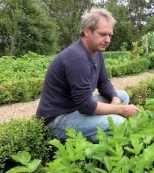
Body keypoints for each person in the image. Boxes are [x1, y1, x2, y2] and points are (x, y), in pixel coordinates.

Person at [36, 8, 139, 142]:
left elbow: (103, 83)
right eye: (103, 34)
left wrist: (114, 97)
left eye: (110, 35)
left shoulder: (96, 52)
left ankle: (94, 135)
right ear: (87, 31)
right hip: (58, 118)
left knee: (122, 96)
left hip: (76, 108)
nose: (108, 40)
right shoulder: (76, 58)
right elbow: (86, 106)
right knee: (119, 123)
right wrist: (120, 110)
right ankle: (95, 142)